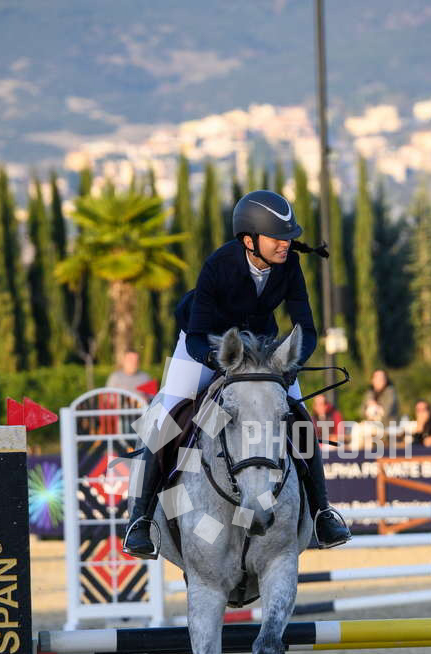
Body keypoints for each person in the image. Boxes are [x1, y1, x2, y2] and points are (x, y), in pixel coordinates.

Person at [123, 190, 351, 557]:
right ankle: (141, 519)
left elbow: (306, 329)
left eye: (288, 237)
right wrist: (220, 364)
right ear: (249, 240)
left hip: (261, 349)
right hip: (205, 347)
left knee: (300, 418)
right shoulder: (218, 265)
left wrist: (291, 364)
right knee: (165, 418)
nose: (285, 244)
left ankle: (322, 513)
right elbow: (196, 337)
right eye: (277, 238)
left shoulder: (290, 265)